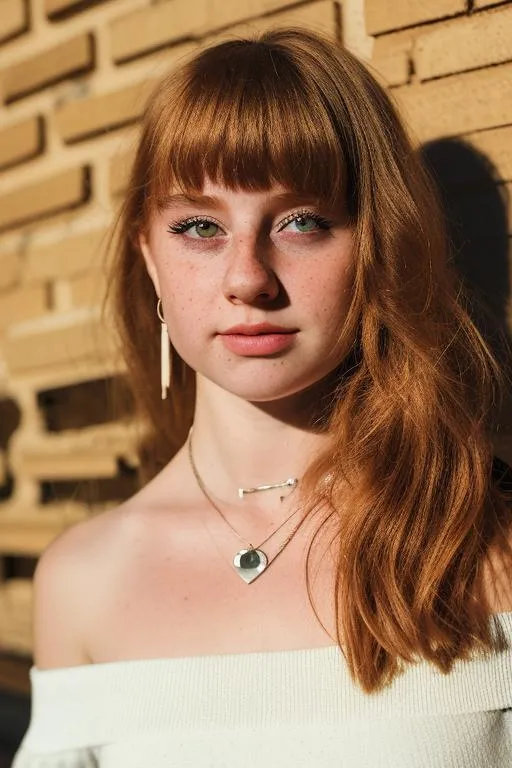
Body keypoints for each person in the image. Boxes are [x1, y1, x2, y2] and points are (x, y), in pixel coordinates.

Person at [12, 27, 512, 768]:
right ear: (150, 259)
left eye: (301, 222)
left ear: (376, 245)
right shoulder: (83, 581)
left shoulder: (482, 540)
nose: (249, 278)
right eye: (200, 227)